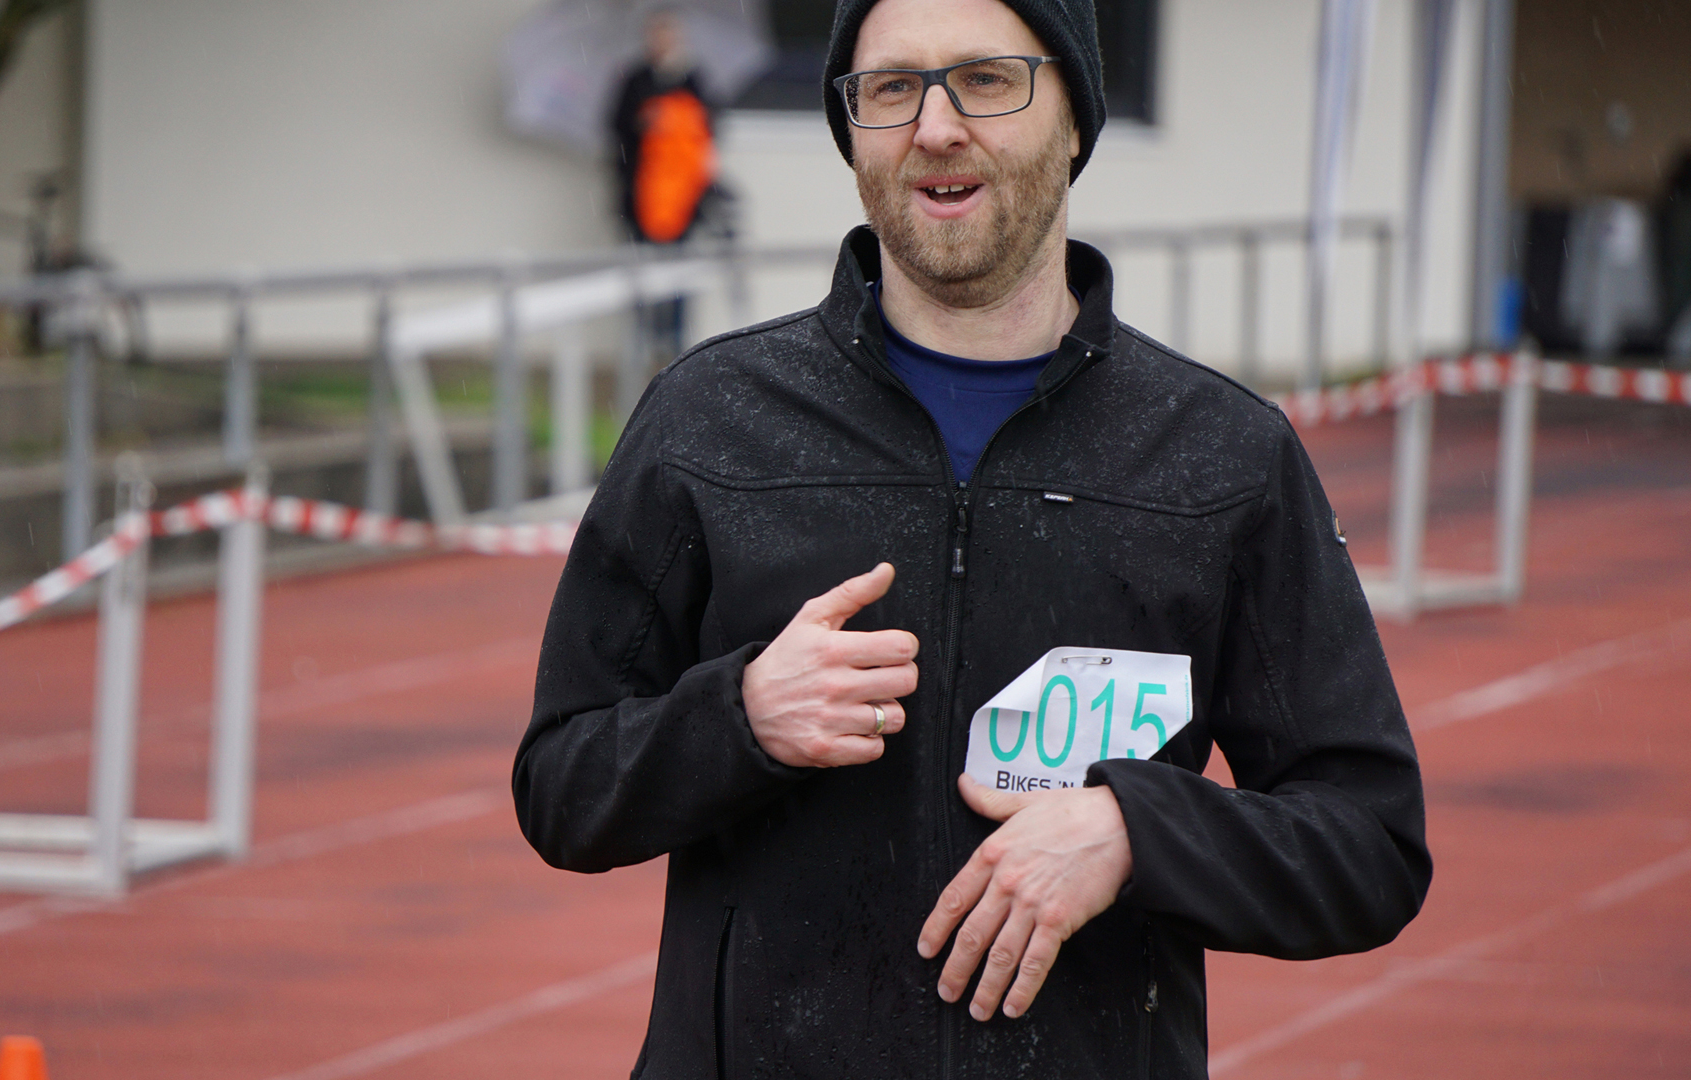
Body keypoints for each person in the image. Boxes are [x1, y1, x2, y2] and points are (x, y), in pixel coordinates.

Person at [515, 0, 1431, 1075]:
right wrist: (740, 718)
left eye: (988, 80)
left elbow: (1369, 844)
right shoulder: (711, 421)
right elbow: (561, 785)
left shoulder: (1221, 454)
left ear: (1076, 118)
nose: (936, 128)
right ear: (851, 129)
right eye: (892, 89)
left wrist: (1136, 834)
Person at [610, 8, 721, 365]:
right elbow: (617, 127)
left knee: (678, 275)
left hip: (684, 200)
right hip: (642, 197)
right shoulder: (634, 80)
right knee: (642, 274)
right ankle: (642, 345)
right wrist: (643, 122)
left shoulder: (693, 79)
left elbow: (708, 132)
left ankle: (675, 347)